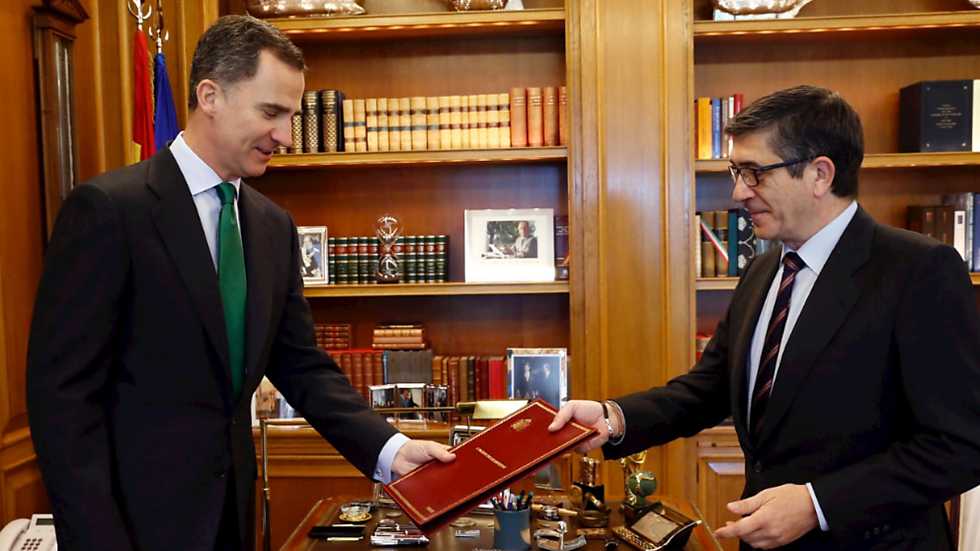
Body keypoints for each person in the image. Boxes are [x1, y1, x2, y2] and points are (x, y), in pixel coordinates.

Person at [26, 15, 453, 551]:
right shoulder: (109, 211)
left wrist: (391, 449)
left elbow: (301, 365)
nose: (285, 136)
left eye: (292, 116)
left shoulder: (273, 226)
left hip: (232, 518)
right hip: (132, 528)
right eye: (271, 112)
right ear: (210, 96)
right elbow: (63, 402)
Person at [549, 85, 980, 550]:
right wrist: (612, 418)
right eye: (737, 172)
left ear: (819, 174)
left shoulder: (918, 271)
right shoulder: (763, 269)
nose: (738, 192)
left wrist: (817, 504)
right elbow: (709, 389)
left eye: (754, 173)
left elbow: (960, 445)